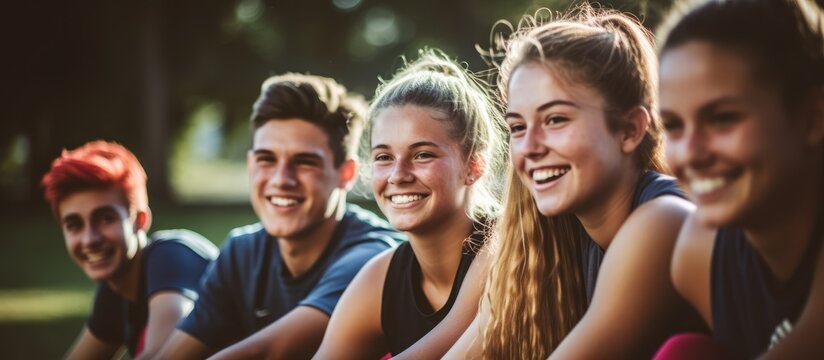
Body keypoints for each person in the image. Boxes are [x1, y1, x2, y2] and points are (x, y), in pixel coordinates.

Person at [445, 5, 700, 359]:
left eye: (555, 120)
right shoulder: (555, 240)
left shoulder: (661, 221)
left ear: (630, 130)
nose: (530, 147)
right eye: (517, 127)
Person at [154, 73, 404, 359]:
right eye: (267, 159)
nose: (281, 179)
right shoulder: (242, 253)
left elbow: (268, 352)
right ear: (251, 165)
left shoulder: (375, 256)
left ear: (346, 173)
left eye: (304, 162)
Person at [312, 49, 509, 359]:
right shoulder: (380, 279)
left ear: (474, 166)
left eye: (422, 155)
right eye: (384, 157)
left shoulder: (507, 246)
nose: (398, 175)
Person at [655, 0, 824, 358]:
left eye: (722, 118)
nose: (691, 154)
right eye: (674, 126)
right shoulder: (697, 255)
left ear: (813, 117)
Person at [41, 140, 219, 359]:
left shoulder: (171, 256)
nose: (89, 239)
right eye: (74, 225)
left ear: (140, 220)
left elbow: (164, 356)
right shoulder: (115, 291)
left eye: (105, 218)